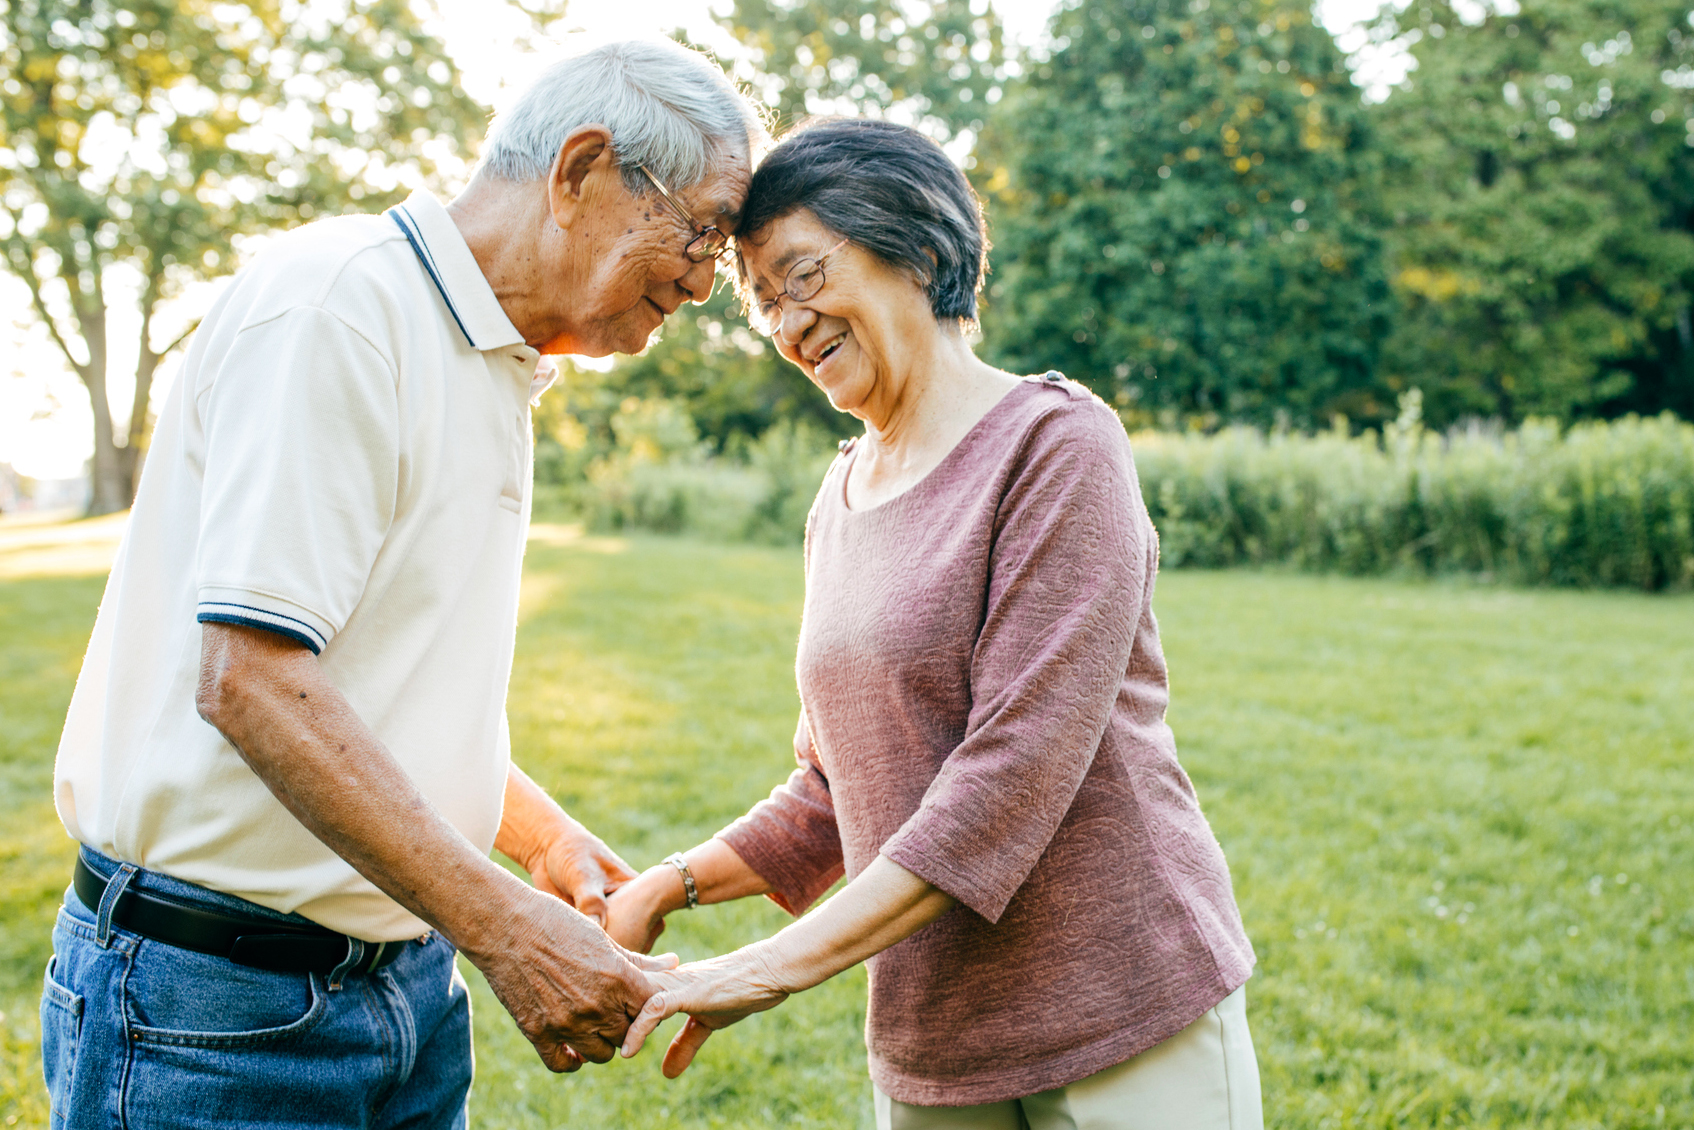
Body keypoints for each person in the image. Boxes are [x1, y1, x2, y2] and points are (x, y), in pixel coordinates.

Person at [40, 39, 763, 1129]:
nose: (706, 279)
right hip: (216, 1010)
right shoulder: (340, 309)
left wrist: (545, 841)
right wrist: (509, 927)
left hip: (403, 987)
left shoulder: (496, 361)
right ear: (579, 170)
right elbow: (253, 680)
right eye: (700, 226)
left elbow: (374, 683)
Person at [605, 118, 1263, 1130]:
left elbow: (1008, 776)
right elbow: (841, 785)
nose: (785, 321)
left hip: (1123, 1009)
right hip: (934, 1030)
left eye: (800, 274)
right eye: (762, 299)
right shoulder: (839, 496)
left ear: (914, 245)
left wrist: (766, 968)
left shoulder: (1055, 445)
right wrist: (671, 882)